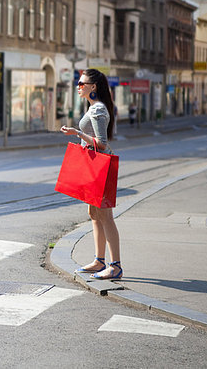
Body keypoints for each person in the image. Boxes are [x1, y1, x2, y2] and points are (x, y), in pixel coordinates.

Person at [60, 69, 122, 280]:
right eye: (78, 83)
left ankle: (115, 266)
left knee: (105, 216)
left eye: (81, 83)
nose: (78, 86)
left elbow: (102, 143)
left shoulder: (98, 110)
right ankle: (99, 261)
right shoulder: (94, 107)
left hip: (100, 169)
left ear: (93, 86)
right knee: (94, 214)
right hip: (94, 168)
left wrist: (77, 133)